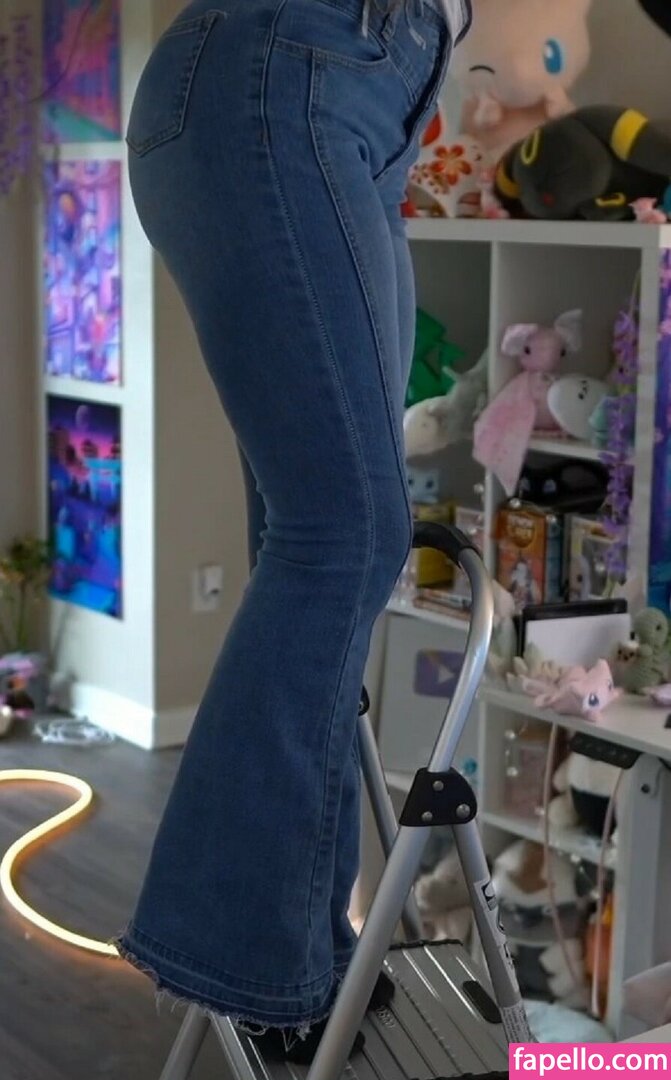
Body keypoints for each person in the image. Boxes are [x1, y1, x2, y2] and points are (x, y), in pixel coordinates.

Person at [116, 0, 470, 1063]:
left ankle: (304, 950)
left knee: (316, 538)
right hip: (294, 72)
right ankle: (247, 954)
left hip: (348, 105)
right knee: (344, 533)